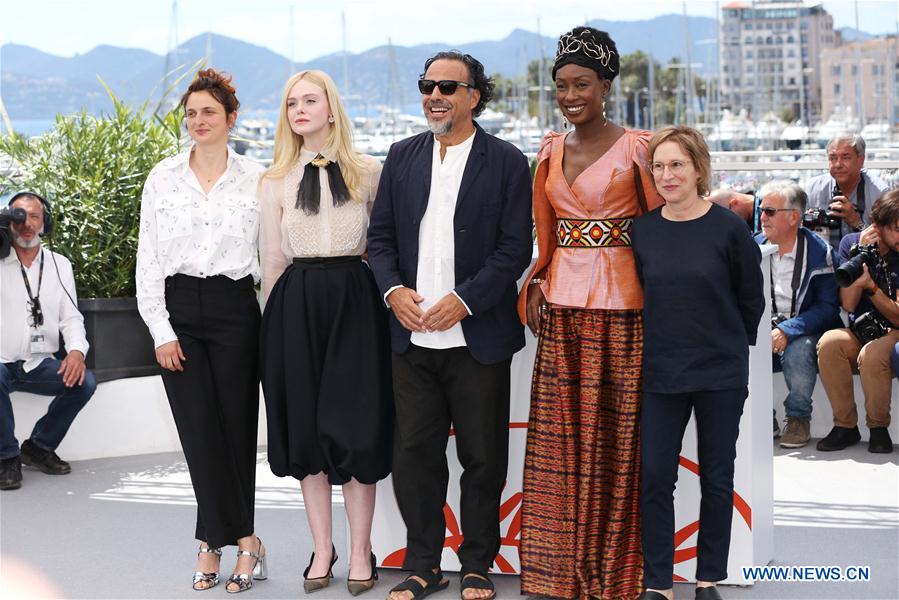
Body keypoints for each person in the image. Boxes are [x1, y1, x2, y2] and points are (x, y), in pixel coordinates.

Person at [367, 51, 532, 600]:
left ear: (473, 97)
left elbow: (514, 249)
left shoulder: (507, 161)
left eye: (446, 87)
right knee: (414, 456)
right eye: (427, 86)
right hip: (411, 337)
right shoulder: (401, 155)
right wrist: (393, 291)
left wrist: (464, 301)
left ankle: (478, 563)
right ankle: (423, 565)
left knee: (482, 458)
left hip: (477, 338)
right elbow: (380, 240)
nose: (434, 96)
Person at [515, 26, 663, 600]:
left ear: (606, 86)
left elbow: (660, 229)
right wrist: (536, 281)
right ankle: (558, 569)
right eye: (561, 86)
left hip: (625, 310)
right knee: (560, 442)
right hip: (562, 311)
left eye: (582, 84)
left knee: (617, 443)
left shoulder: (638, 148)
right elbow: (545, 232)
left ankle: (614, 570)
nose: (570, 95)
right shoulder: (549, 151)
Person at [258, 70, 392, 596]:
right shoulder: (274, 180)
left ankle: (360, 550)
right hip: (296, 305)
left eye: (310, 100)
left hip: (355, 302)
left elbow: (382, 247)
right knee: (306, 432)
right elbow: (272, 259)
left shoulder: (369, 171)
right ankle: (322, 548)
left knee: (358, 430)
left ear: (331, 109)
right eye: (292, 102)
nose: (299, 109)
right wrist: (270, 330)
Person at [136, 68, 267, 593]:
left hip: (236, 307)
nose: (198, 120)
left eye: (209, 111)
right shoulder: (162, 176)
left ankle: (222, 543)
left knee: (237, 429)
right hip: (179, 311)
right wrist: (160, 330)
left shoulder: (258, 177)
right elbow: (148, 260)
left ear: (231, 118)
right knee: (197, 432)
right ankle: (237, 541)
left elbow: (272, 258)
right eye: (191, 113)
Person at [632, 126, 764, 600]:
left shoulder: (729, 228)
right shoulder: (643, 231)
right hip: (661, 372)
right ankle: (658, 583)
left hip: (719, 373)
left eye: (677, 165)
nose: (667, 175)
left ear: (698, 168)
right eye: (659, 167)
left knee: (717, 477)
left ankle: (708, 579)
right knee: (654, 479)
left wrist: (727, 346)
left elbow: (751, 298)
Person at [1, 191, 96, 491]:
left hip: (38, 364)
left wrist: (76, 352)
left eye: (34, 217)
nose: (27, 224)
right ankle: (7, 457)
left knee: (84, 383)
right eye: (19, 217)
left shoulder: (59, 265)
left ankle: (39, 447)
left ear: (46, 224)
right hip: (1, 363)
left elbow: (71, 317)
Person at [754, 180, 841, 448]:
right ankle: (762, 416)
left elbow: (828, 308)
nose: (762, 217)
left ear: (794, 217)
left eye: (770, 211)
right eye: (761, 210)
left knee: (799, 351)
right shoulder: (752, 247)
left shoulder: (821, 253)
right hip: (763, 327)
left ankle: (798, 418)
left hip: (806, 330)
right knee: (741, 345)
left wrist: (787, 329)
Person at [815, 189, 899, 455]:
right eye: (897, 229)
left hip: (894, 331)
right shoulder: (851, 243)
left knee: (872, 354)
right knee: (830, 342)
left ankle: (878, 428)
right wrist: (859, 257)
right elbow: (849, 304)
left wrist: (872, 288)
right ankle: (845, 426)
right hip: (862, 329)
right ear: (878, 226)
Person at [805, 134, 889, 248]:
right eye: (833, 158)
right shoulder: (813, 189)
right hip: (823, 257)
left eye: (846, 157)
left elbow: (887, 243)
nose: (838, 164)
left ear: (861, 160)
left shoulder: (879, 193)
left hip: (866, 258)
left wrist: (856, 222)